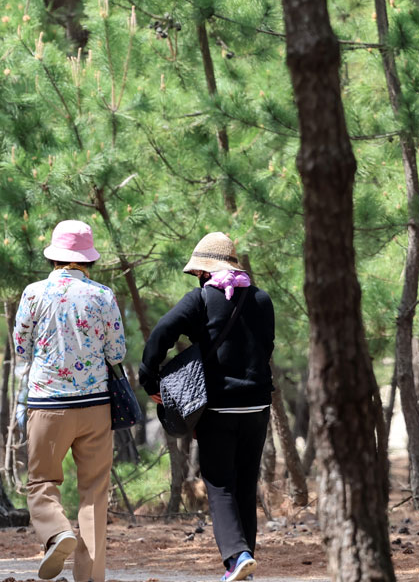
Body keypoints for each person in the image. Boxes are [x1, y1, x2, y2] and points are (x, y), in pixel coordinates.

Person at [139, 232, 275, 582]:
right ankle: (245, 561)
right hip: (257, 408)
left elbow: (161, 334)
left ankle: (236, 556)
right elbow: (267, 347)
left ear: (204, 272)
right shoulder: (262, 300)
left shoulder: (201, 299)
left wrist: (151, 381)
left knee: (220, 485)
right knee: (245, 485)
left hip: (217, 410)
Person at [13, 219, 128, 582]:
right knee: (94, 492)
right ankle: (91, 577)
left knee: (41, 482)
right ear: (87, 260)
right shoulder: (103, 295)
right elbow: (117, 351)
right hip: (96, 406)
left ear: (55, 257)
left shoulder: (33, 293)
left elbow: (20, 346)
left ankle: (57, 531)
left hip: (48, 405)